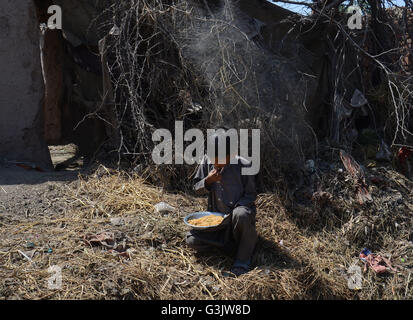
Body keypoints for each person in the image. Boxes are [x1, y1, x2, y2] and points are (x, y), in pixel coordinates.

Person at [186, 129, 258, 276]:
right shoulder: (206, 161)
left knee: (241, 214)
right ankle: (232, 246)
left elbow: (251, 195)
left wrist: (233, 213)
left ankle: (242, 261)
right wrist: (208, 181)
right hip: (218, 224)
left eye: (220, 159)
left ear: (232, 154)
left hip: (237, 222)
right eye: (214, 159)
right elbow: (196, 189)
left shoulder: (244, 165)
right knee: (191, 241)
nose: (216, 163)